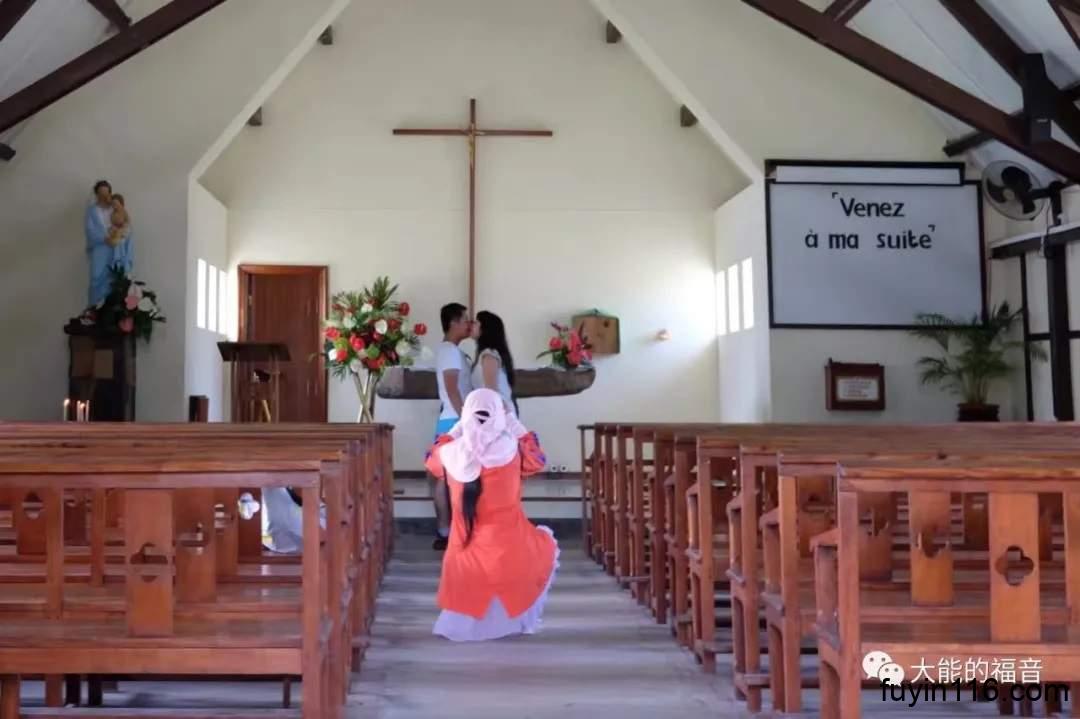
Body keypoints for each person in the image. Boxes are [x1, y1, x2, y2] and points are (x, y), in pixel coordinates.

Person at [424, 388, 558, 641]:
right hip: (509, 544)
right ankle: (507, 623)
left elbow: (432, 456)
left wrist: (460, 427)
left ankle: (465, 627)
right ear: (499, 415)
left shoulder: (449, 453)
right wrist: (512, 422)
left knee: (470, 574)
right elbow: (537, 459)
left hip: (465, 545)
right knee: (545, 544)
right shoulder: (513, 450)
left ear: (466, 414)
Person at [431, 302, 475, 550]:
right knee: (447, 476)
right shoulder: (449, 351)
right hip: (453, 420)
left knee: (450, 476)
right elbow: (452, 388)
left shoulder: (454, 351)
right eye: (465, 319)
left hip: (453, 418)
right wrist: (465, 419)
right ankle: (445, 531)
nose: (469, 324)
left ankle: (449, 529)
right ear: (453, 323)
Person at [85, 180, 134, 306]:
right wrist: (105, 239)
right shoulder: (92, 211)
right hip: (100, 250)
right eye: (101, 194)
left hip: (117, 250)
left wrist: (121, 234)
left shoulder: (116, 207)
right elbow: (90, 231)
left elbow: (128, 225)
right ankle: (96, 309)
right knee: (97, 278)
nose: (104, 197)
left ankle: (115, 309)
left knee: (116, 279)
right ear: (97, 195)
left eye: (107, 193)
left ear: (110, 194)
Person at [471, 310, 517, 416]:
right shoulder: (486, 354)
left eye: (476, 323)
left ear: (485, 329)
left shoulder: (489, 356)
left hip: (499, 414)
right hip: (495, 413)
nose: (472, 325)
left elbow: (491, 393)